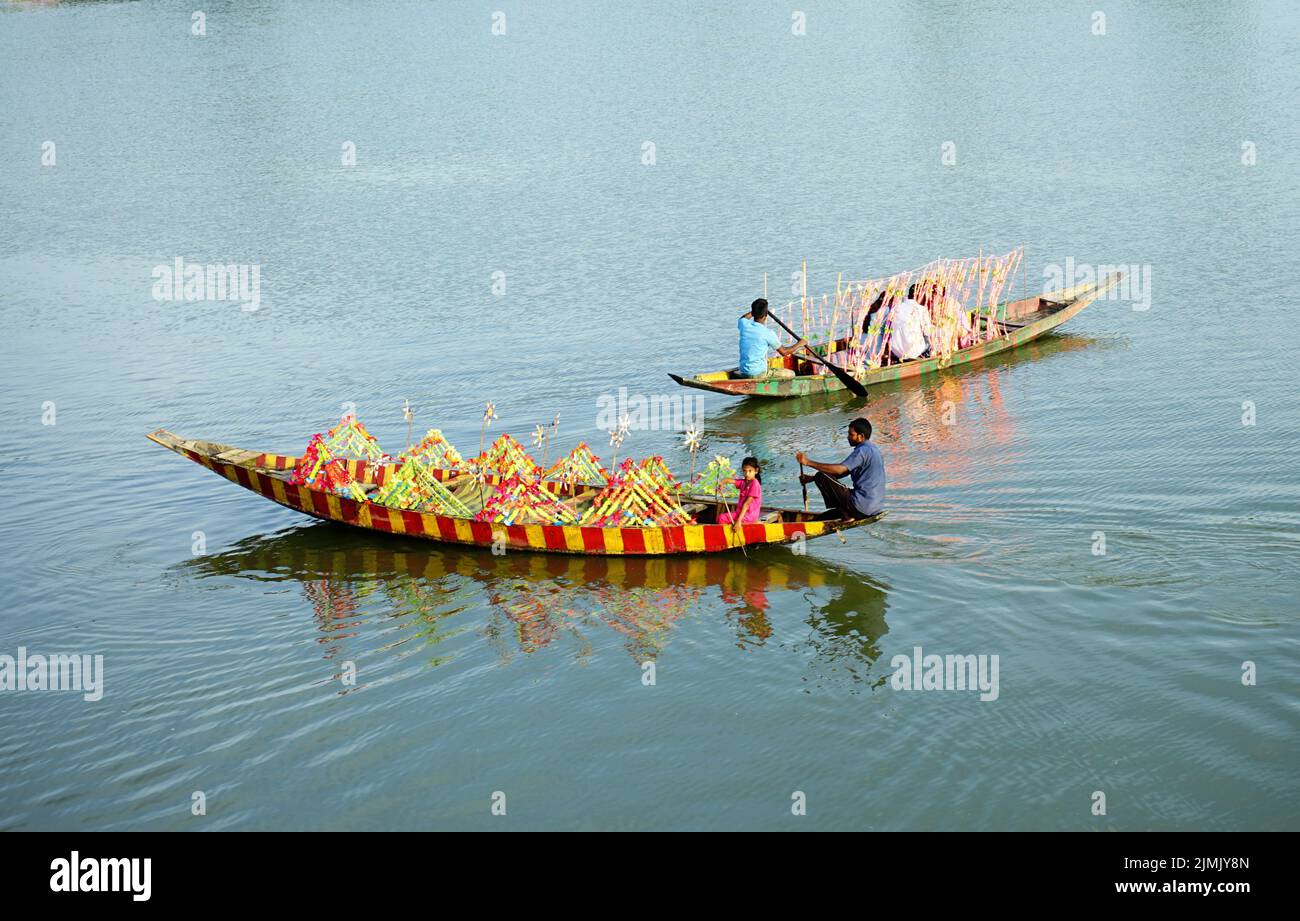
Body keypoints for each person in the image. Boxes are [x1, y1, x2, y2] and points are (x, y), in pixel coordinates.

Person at [796, 417, 885, 521]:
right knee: (822, 517)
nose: (848, 437)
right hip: (874, 508)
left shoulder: (862, 451)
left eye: (851, 435)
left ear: (861, 436)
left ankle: (847, 513)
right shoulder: (874, 450)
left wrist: (807, 462)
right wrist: (811, 479)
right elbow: (844, 472)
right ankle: (845, 511)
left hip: (860, 507)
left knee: (821, 476)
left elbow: (839, 470)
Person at [737, 298, 806, 380]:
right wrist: (800, 344)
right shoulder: (768, 333)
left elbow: (743, 317)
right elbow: (784, 352)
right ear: (766, 315)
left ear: (753, 313)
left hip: (743, 371)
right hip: (759, 374)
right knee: (792, 374)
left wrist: (755, 311)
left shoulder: (744, 325)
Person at [888, 284, 934, 361]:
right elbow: (928, 332)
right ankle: (927, 357)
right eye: (924, 294)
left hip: (896, 351)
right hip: (914, 351)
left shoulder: (895, 309)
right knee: (930, 338)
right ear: (919, 295)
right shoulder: (921, 309)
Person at [718, 456, 763, 526]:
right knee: (721, 518)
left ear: (756, 471)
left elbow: (747, 504)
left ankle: (753, 522)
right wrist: (722, 482)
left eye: (750, 471)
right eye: (744, 471)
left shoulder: (755, 484)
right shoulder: (744, 482)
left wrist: (738, 521)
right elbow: (730, 480)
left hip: (749, 516)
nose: (747, 474)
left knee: (729, 520)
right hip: (740, 513)